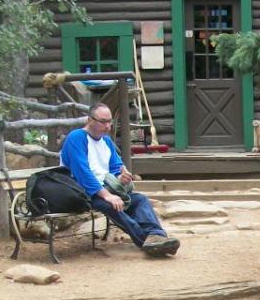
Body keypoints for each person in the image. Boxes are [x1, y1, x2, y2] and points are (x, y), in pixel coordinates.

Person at [60, 105, 180, 257]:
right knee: (112, 205)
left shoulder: (106, 141)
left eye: (109, 122)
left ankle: (156, 235)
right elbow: (82, 172)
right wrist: (106, 195)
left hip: (106, 190)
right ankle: (146, 241)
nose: (108, 126)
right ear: (90, 120)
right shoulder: (76, 138)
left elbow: (116, 167)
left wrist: (121, 177)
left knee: (140, 199)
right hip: (82, 192)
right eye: (103, 122)